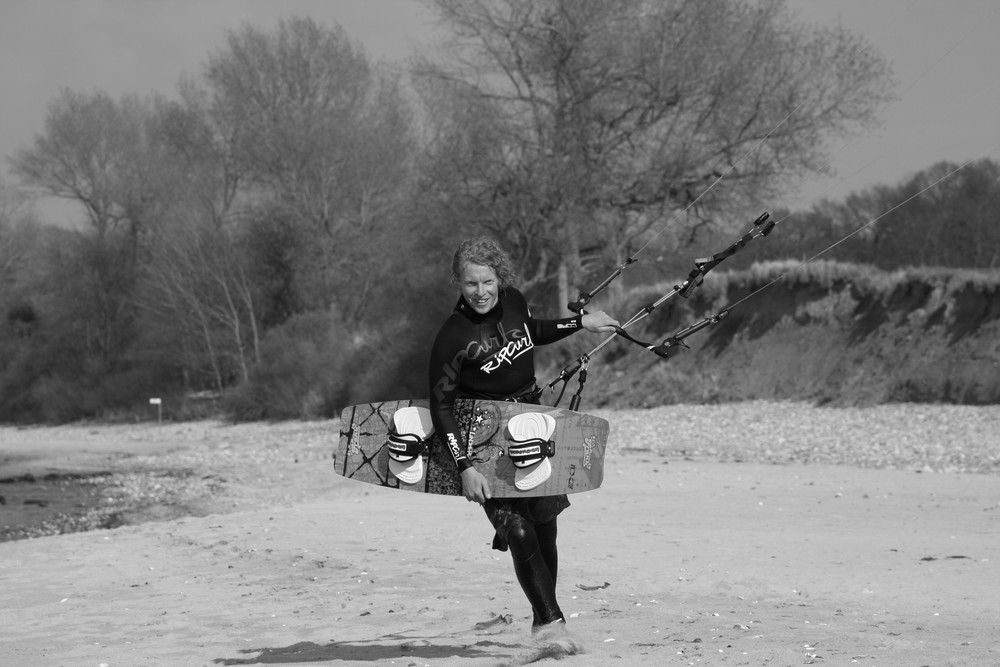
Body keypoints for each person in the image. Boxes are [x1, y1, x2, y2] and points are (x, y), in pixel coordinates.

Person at [428, 236, 619, 645]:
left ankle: (542, 621)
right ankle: (551, 624)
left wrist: (579, 323)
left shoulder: (514, 300)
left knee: (544, 527)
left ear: (500, 278)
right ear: (458, 284)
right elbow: (441, 406)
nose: (480, 292)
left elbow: (530, 331)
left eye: (487, 282)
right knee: (516, 529)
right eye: (470, 284)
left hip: (532, 421)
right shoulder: (452, 336)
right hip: (482, 440)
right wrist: (464, 467)